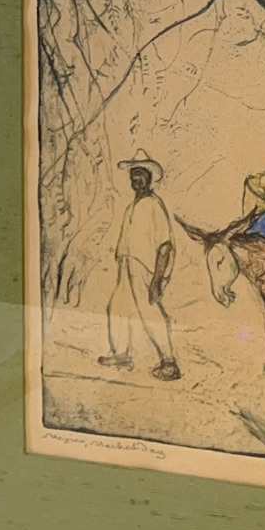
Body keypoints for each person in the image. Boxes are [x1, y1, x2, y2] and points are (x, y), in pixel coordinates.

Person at [100, 156, 180, 379]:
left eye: (141, 175)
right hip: (126, 263)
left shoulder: (154, 204)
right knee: (118, 307)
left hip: (144, 266)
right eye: (133, 175)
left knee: (149, 310)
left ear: (149, 178)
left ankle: (169, 362)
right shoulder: (132, 206)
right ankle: (121, 355)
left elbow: (165, 245)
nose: (136, 179)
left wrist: (157, 278)